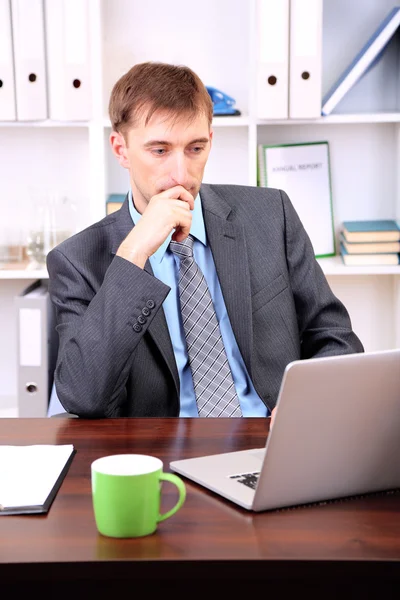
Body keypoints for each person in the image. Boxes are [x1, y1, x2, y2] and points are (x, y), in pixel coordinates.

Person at [47, 61, 364, 421]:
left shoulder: (271, 215)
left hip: (272, 438)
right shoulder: (77, 261)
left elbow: (335, 336)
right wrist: (134, 254)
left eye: (195, 148)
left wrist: (310, 402)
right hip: (164, 456)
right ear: (121, 150)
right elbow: (84, 398)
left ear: (210, 141)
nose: (181, 174)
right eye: (160, 151)